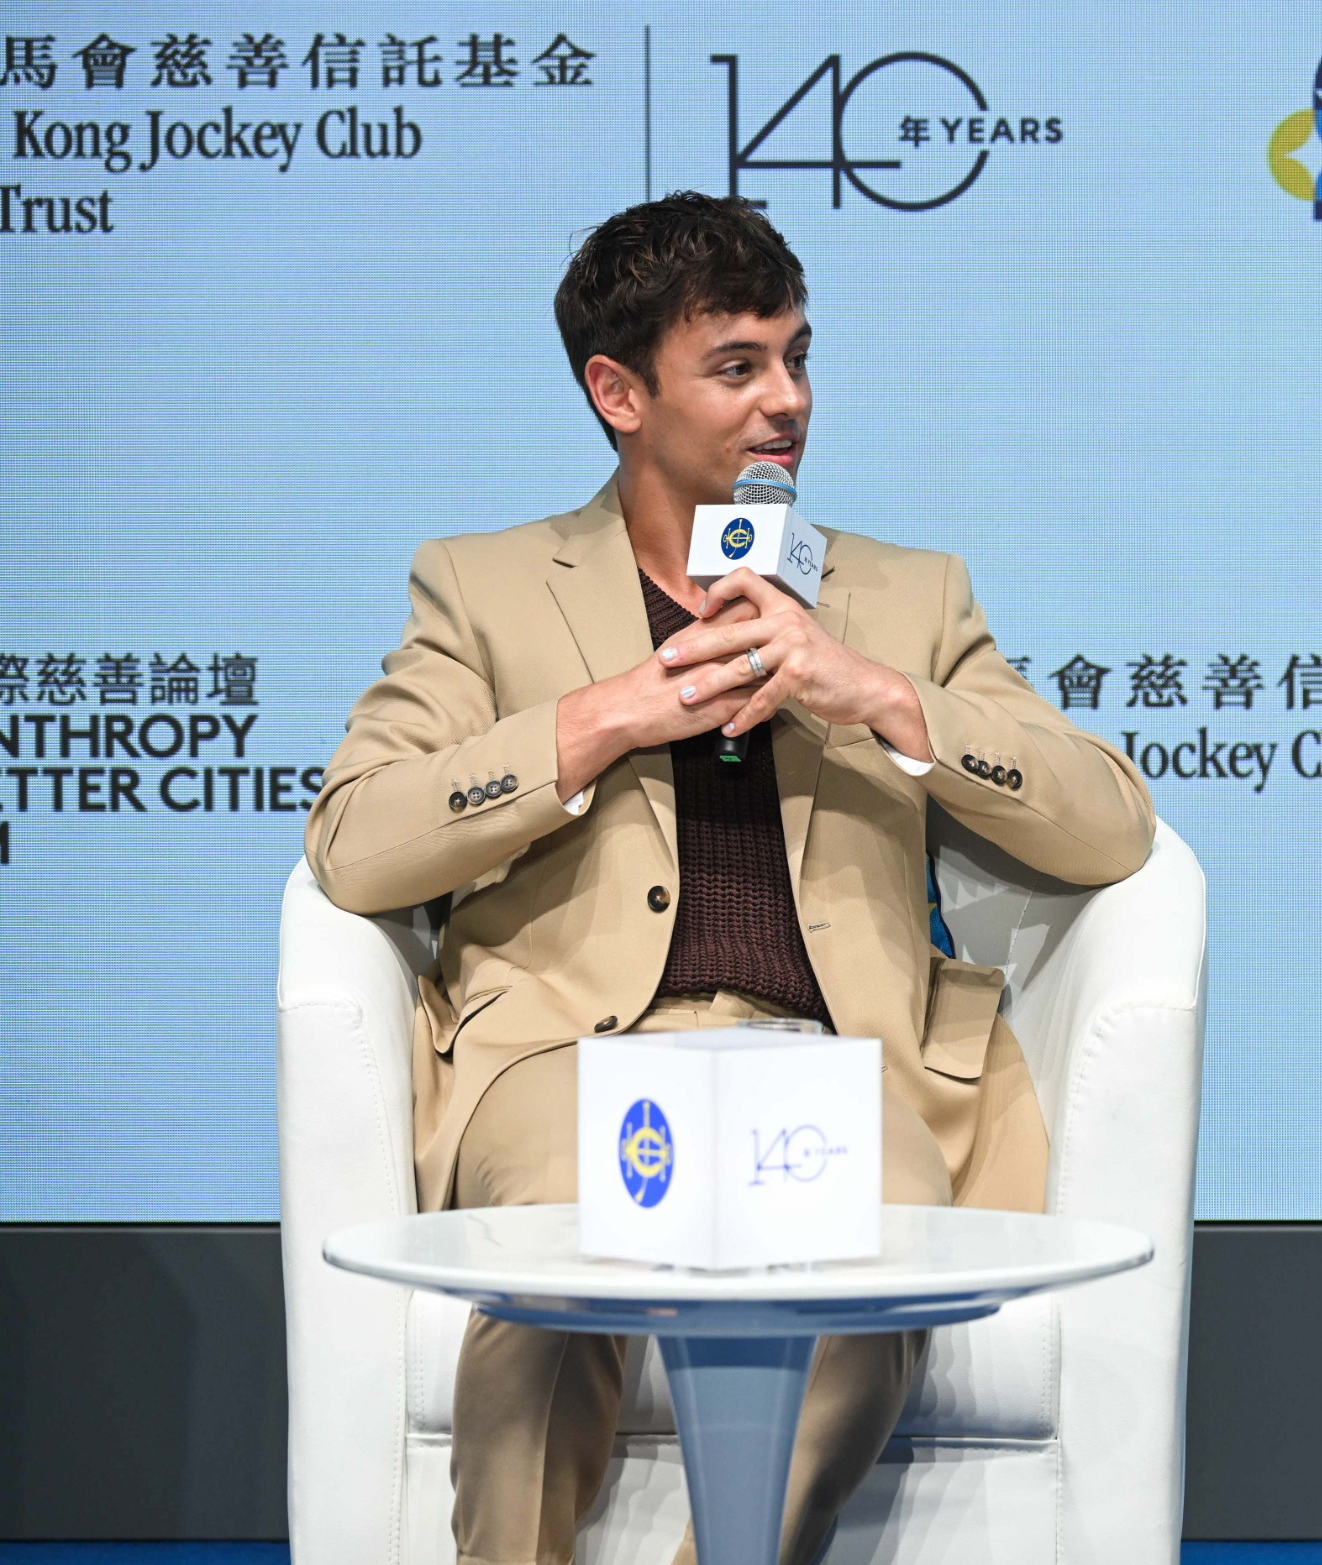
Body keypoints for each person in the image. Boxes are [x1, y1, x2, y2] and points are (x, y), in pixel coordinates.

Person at [305, 191, 1155, 1565]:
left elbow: (1108, 823)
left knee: (859, 1283)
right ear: (617, 390)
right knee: (547, 1303)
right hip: (572, 1060)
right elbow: (355, 839)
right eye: (739, 366)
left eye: (798, 357)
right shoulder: (486, 587)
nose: (788, 404)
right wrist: (608, 718)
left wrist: (871, 690)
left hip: (839, 1058)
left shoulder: (903, 594)